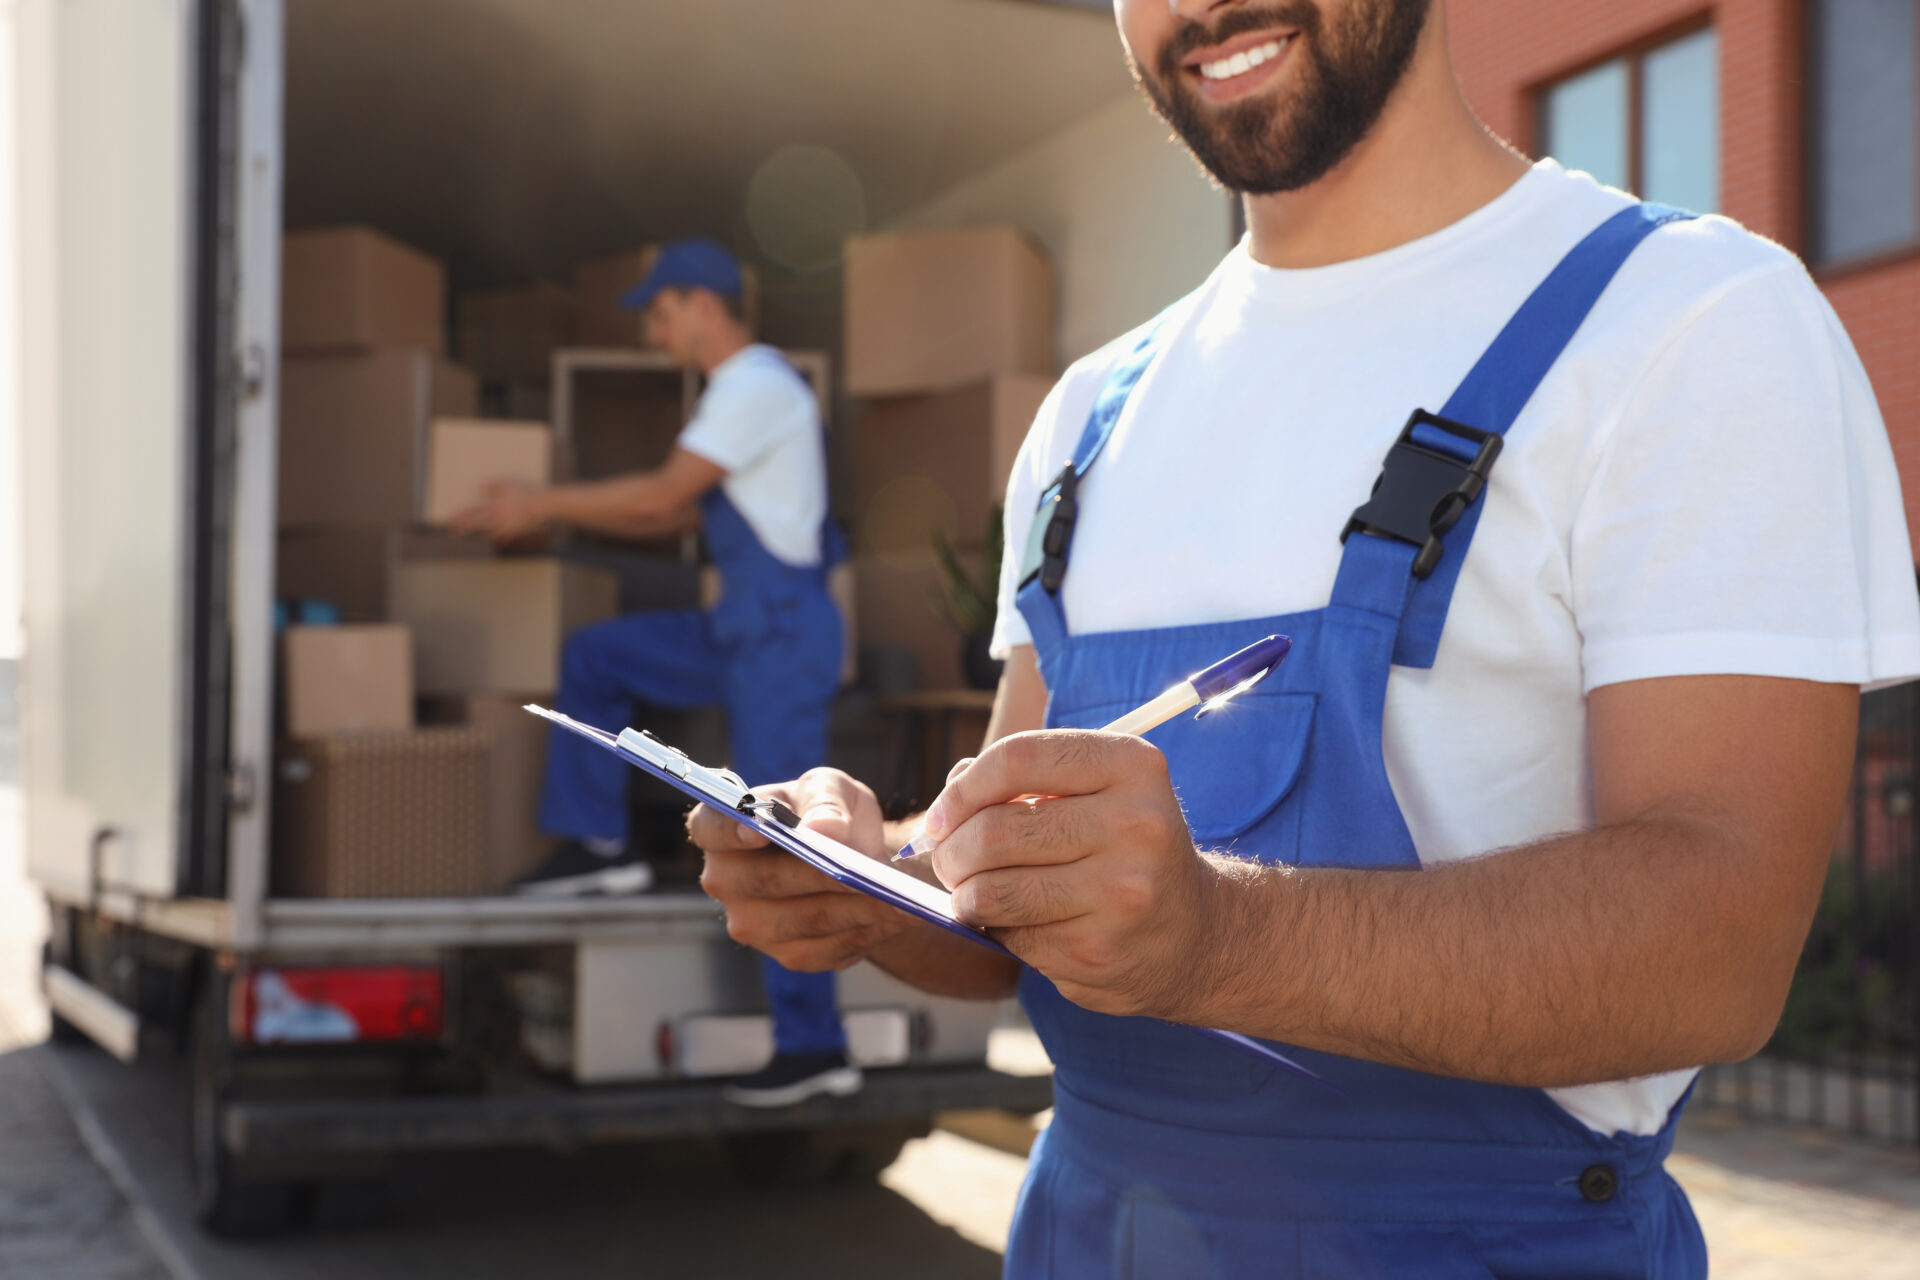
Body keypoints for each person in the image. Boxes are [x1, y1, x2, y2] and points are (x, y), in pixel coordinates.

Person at [689, 0, 1920, 1274]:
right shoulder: (1088, 419)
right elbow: (998, 905)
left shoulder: (1689, 323)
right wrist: (866, 881)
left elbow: (1722, 949)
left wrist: (1216, 936)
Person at [453, 238, 860, 1108]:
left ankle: (815, 1044)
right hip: (744, 623)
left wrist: (541, 503)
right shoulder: (737, 392)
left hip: (779, 632)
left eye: (661, 311)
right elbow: (656, 514)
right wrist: (555, 528)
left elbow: (660, 498)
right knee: (598, 656)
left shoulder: (755, 383)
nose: (654, 330)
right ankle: (602, 846)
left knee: (780, 827)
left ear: (702, 305)